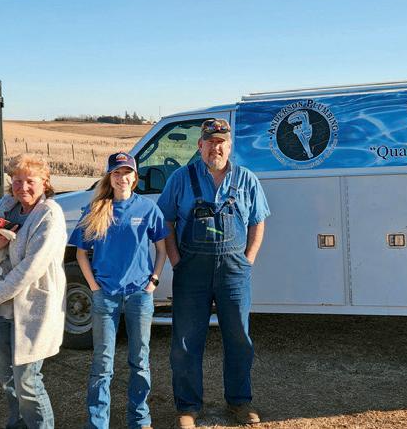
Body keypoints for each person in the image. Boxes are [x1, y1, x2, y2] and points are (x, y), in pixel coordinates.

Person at [157, 119, 270, 428]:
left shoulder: (246, 179)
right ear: (200, 146)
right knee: (186, 340)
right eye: (210, 142)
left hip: (234, 272)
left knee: (239, 338)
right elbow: (166, 221)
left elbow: (258, 221)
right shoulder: (180, 178)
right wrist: (176, 261)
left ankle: (239, 401)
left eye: (221, 143)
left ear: (229, 146)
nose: (215, 148)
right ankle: (188, 407)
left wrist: (248, 259)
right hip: (191, 272)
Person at [71, 152, 168, 429]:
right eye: (116, 173)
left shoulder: (148, 209)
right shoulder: (96, 210)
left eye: (127, 173)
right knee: (103, 363)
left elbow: (161, 249)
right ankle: (97, 423)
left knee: (140, 360)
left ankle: (139, 419)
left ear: (135, 178)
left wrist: (153, 282)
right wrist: (94, 287)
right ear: (109, 177)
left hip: (139, 295)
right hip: (106, 296)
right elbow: (80, 253)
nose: (122, 178)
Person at [0, 153, 68, 429]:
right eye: (16, 180)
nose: (22, 187)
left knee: (27, 382)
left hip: (33, 307)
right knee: (8, 381)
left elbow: (30, 269)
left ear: (45, 182)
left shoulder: (49, 214)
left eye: (30, 181)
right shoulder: (4, 207)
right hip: (1, 310)